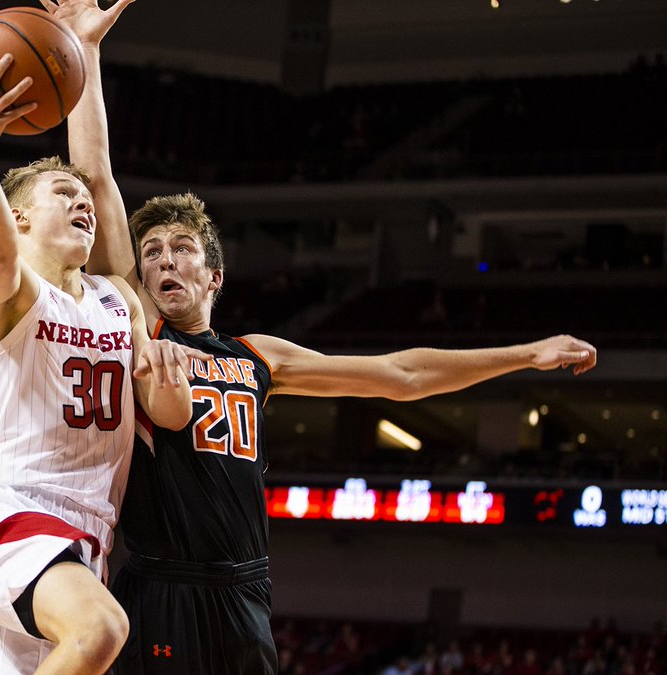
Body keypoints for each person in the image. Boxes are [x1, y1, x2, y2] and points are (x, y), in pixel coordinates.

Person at [47, 1, 600, 673]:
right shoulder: (140, 326)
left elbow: (402, 375)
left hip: (245, 591)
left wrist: (526, 354)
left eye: (181, 248)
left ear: (214, 275)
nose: (163, 259)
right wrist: (85, 53)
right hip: (163, 584)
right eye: (153, 251)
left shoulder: (258, 355)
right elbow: (97, 177)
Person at [0, 39, 210, 675]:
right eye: (62, 193)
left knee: (81, 647)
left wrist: (169, 380)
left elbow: (169, 416)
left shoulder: (118, 296)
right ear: (18, 216)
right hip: (11, 516)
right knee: (101, 629)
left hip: (88, 541)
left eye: (82, 197)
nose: (82, 201)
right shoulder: (6, 293)